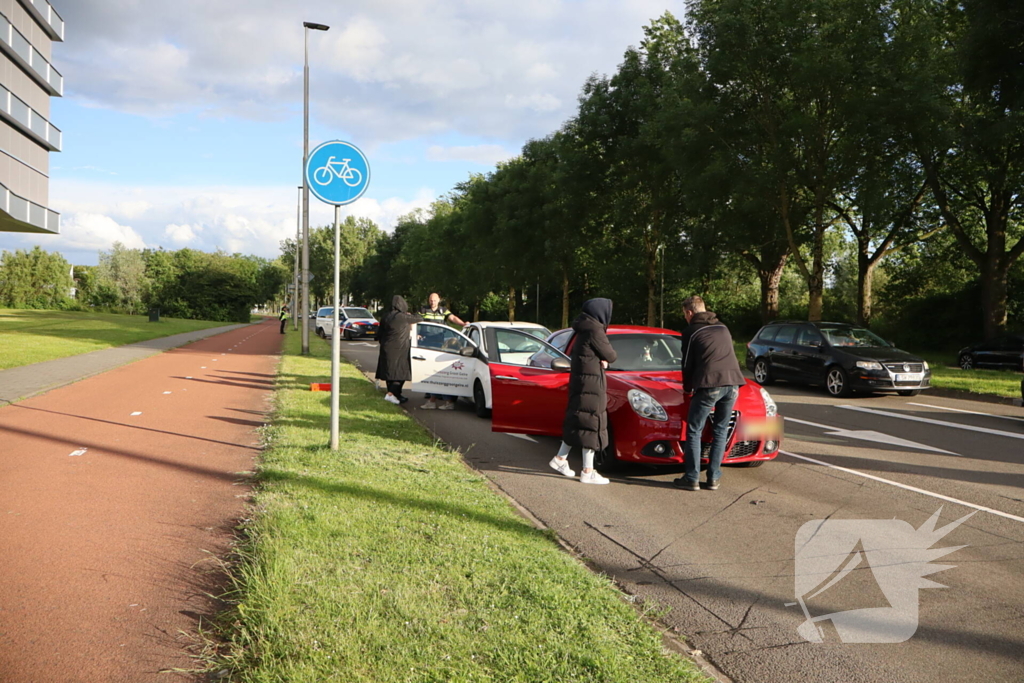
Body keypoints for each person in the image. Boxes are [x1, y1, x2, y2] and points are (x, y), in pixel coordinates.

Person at [673, 295, 746, 492]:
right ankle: (713, 478)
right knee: (720, 431)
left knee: (694, 430)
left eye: (685, 314)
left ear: (689, 312)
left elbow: (687, 364)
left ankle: (692, 477)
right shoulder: (722, 327)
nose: (685, 318)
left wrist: (687, 389)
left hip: (710, 384)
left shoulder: (691, 332)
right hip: (733, 384)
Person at [549, 298, 618, 485]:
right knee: (591, 423)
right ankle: (588, 471)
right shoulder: (595, 329)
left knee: (578, 422)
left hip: (582, 382)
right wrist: (604, 360)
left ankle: (560, 459)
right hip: (591, 385)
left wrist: (599, 359)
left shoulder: (583, 328)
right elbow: (611, 355)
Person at [419, 292, 467, 411]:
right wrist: (416, 334)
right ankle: (435, 399)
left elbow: (453, 318)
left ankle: (438, 400)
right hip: (425, 344)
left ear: (439, 300)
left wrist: (463, 324)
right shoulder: (423, 310)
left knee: (435, 373)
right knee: (429, 373)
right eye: (431, 300)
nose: (432, 302)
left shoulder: (443, 310)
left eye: (434, 300)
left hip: (439, 345)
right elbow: (416, 321)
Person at [375, 295, 423, 405]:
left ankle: (396, 395)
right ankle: (391, 394)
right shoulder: (403, 317)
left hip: (386, 348)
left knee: (389, 374)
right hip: (400, 349)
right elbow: (419, 318)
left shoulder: (386, 316)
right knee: (401, 373)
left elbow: (379, 334)